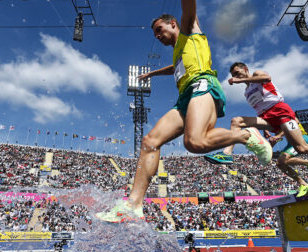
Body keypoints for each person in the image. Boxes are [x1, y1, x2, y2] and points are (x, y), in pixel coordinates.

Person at [95, 1, 272, 223]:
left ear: (174, 24)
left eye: (160, 30)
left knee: (194, 142)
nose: (157, 36)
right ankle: (133, 204)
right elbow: (174, 68)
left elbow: (189, 7)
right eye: (155, 34)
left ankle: (246, 136)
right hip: (185, 97)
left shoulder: (190, 32)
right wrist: (151, 75)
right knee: (150, 141)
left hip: (202, 85)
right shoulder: (178, 51)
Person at [204, 62, 308, 196]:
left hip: (281, 111)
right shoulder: (246, 92)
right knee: (236, 121)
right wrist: (265, 130)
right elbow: (259, 108)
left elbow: (267, 78)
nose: (236, 77)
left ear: (245, 69)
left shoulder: (257, 74)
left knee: (302, 148)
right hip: (267, 118)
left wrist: (243, 79)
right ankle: (227, 154)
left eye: (237, 73)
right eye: (234, 75)